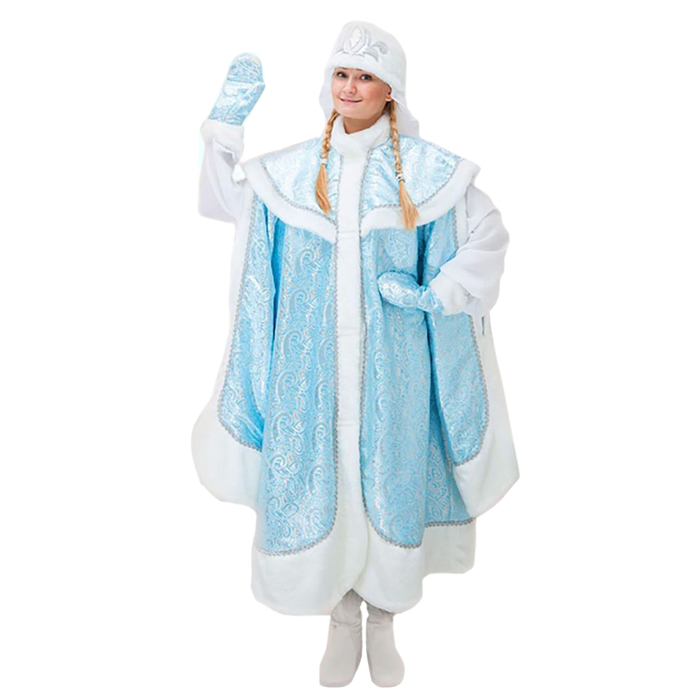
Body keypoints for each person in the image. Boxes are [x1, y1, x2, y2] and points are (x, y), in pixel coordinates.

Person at [192, 20, 519, 687]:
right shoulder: (291, 173)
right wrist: (222, 131)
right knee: (324, 479)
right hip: (308, 373)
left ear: (390, 89)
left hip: (394, 372)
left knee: (387, 478)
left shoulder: (427, 173)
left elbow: (487, 232)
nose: (350, 87)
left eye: (365, 77)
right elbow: (230, 205)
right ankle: (342, 617)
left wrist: (441, 292)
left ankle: (384, 617)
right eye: (341, 74)